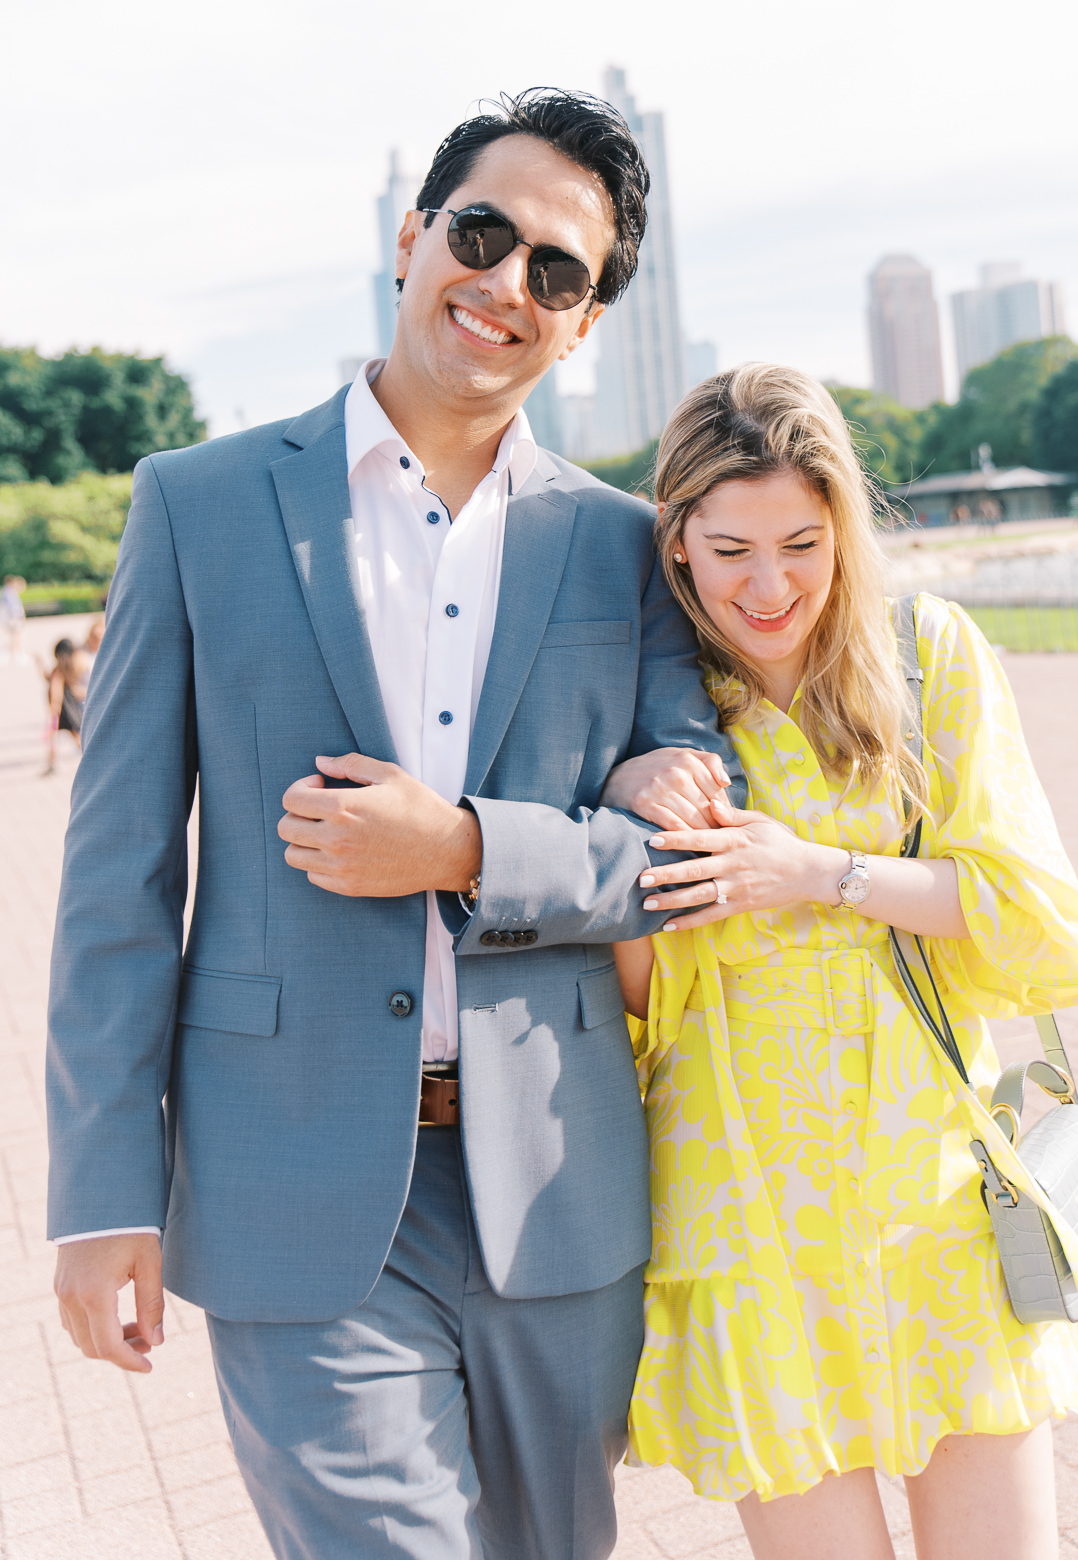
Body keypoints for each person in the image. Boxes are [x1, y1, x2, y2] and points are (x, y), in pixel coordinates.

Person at [46, 89, 742, 1560]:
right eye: (482, 236)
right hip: (286, 1188)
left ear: (586, 325)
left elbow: (691, 851)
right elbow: (116, 878)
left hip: (553, 1190)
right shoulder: (199, 503)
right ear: (414, 236)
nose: (506, 286)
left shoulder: (622, 547)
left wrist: (473, 852)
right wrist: (100, 1189)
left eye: (558, 272)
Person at [604, 364, 1078, 1560]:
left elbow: (1045, 924)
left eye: (800, 539)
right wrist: (619, 816)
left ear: (842, 521)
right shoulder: (650, 707)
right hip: (743, 1230)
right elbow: (637, 1005)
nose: (768, 584)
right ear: (674, 539)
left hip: (929, 1200)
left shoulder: (922, 656)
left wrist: (817, 869)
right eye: (728, 547)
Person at [44, 635, 92, 773]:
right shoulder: (72, 668)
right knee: (77, 734)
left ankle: (52, 763)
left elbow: (56, 691)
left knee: (55, 736)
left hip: (60, 710)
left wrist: (54, 710)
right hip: (72, 707)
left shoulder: (58, 670)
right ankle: (86, 757)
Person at [1, 574, 26, 663]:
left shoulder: (7, 591)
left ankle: (12, 654)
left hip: (11, 619)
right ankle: (15, 655)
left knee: (15, 636)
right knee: (16, 636)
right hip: (14, 619)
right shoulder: (10, 592)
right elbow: (13, 608)